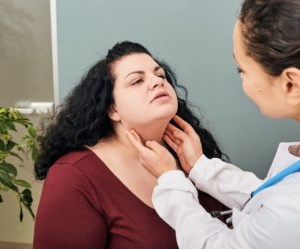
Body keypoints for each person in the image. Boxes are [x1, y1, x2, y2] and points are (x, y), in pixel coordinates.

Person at [126, 0, 300, 248]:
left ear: (292, 85)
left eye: (242, 70)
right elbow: (274, 199)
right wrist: (201, 168)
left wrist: (171, 180)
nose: (156, 83)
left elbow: (222, 242)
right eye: (136, 81)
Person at [33, 41, 228, 249]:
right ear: (112, 109)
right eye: (137, 81)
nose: (156, 82)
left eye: (160, 75)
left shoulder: (195, 158)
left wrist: (202, 168)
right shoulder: (73, 176)